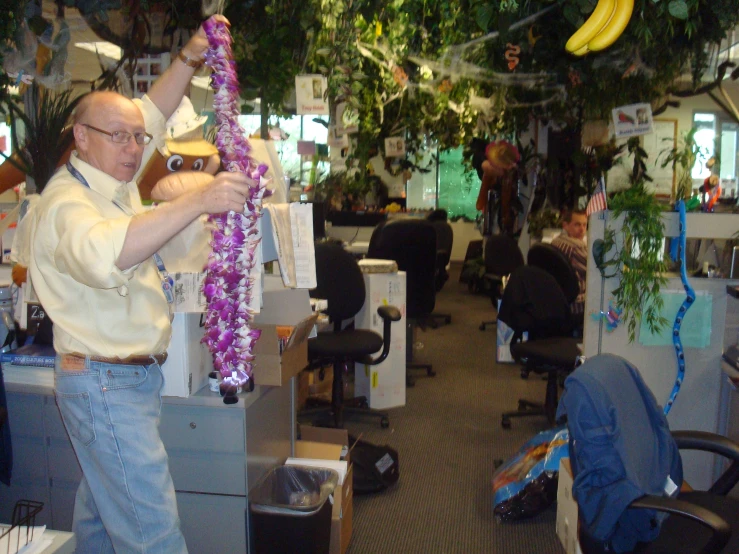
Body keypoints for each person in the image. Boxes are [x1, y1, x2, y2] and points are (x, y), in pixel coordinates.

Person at [28, 15, 251, 553]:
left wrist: (193, 53)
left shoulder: (110, 175)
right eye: (119, 137)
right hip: (103, 384)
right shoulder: (66, 203)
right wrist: (197, 200)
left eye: (137, 138)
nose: (134, 148)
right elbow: (112, 252)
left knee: (105, 522)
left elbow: (156, 106)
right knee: (153, 535)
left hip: (124, 382)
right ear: (80, 137)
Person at [551, 208, 588, 317]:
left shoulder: (556, 241)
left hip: (559, 301)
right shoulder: (577, 246)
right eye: (577, 225)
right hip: (579, 303)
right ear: (565, 226)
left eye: (584, 225)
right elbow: (598, 270)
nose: (582, 229)